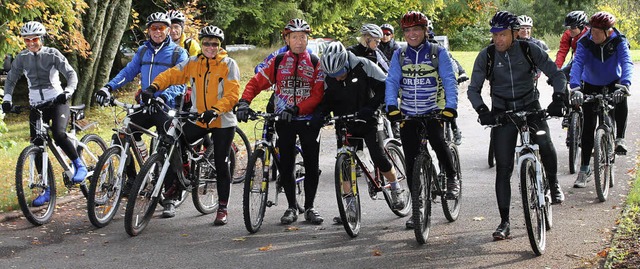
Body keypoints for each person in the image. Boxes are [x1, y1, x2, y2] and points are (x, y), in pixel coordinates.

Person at [467, 11, 566, 241]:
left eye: (502, 34)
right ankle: (504, 222)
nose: (498, 39)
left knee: (544, 141)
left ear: (513, 33)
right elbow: (474, 89)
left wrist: (559, 97)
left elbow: (556, 74)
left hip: (531, 107)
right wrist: (483, 111)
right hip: (503, 113)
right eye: (494, 35)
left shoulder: (529, 50)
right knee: (503, 168)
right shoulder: (487, 56)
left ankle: (552, 182)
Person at [95, 12, 188, 218]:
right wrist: (108, 88)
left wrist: (164, 96)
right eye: (153, 28)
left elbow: (182, 82)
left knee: (170, 145)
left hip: (167, 105)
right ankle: (132, 179)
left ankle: (171, 195)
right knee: (123, 133)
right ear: (148, 30)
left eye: (161, 28)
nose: (157, 32)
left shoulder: (178, 53)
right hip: (146, 104)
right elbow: (128, 72)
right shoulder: (143, 51)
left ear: (167, 30)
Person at [144, 25, 239, 225]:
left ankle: (222, 208)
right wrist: (154, 87)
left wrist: (215, 110)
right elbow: (172, 75)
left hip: (222, 120)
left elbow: (232, 95)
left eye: (214, 44)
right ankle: (180, 179)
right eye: (206, 43)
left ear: (220, 45)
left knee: (221, 164)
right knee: (175, 139)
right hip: (199, 117)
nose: (210, 47)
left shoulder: (229, 64)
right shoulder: (193, 62)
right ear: (201, 44)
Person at [236, 18, 325, 225]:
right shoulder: (278, 61)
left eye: (303, 37)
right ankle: (291, 207)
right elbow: (256, 82)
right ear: (287, 39)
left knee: (312, 165)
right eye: (295, 37)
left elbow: (317, 94)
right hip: (283, 120)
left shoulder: (314, 62)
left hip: (308, 120)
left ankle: (310, 207)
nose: (299, 41)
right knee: (286, 166)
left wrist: (297, 109)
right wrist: (244, 102)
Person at [385, 11, 460, 229]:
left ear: (425, 31)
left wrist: (450, 107)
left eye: (416, 29)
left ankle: (452, 177)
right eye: (407, 31)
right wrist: (391, 105)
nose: (412, 34)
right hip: (408, 113)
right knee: (411, 161)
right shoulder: (399, 55)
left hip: (434, 111)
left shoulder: (438, 53)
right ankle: (417, 206)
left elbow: (449, 81)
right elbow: (391, 81)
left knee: (438, 142)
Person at [2, 21, 83, 206]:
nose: (31, 43)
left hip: (56, 101)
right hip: (36, 105)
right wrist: (7, 99)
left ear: (42, 38)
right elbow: (11, 79)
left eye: (35, 39)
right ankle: (46, 189)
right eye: (27, 40)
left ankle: (79, 165)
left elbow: (71, 74)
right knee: (37, 146)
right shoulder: (22, 58)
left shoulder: (52, 54)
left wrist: (68, 92)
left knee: (59, 134)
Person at [317, 41, 405, 210]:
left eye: (340, 72)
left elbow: (384, 87)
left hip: (369, 118)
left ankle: (395, 188)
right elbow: (326, 100)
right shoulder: (328, 75)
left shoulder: (363, 65)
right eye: (332, 74)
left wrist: (370, 108)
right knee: (344, 164)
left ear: (346, 63)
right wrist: (321, 114)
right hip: (345, 121)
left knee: (378, 156)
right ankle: (349, 205)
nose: (337, 77)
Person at [568, 11, 633, 187]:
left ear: (609, 31)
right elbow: (577, 64)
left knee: (621, 100)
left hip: (614, 82)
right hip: (590, 83)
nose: (593, 34)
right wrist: (575, 88)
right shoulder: (585, 42)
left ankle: (619, 138)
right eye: (592, 30)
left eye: (598, 32)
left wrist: (625, 84)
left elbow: (627, 62)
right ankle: (584, 169)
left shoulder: (619, 40)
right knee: (588, 126)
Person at [427, 19, 467, 145]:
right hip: (425, 86)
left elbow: (451, 60)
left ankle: (454, 128)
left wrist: (461, 72)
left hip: (440, 83)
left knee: (448, 104)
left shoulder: (437, 47)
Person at [555, 11, 589, 81]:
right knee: (560, 77)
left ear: (581, 26)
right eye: (568, 27)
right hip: (576, 61)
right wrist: (555, 70)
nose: (570, 29)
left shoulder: (591, 34)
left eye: (573, 27)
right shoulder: (568, 34)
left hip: (590, 62)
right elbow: (562, 52)